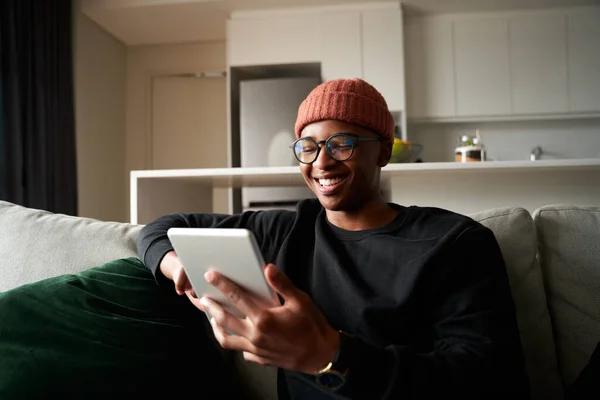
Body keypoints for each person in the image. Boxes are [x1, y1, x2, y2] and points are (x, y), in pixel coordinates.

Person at [137, 78, 530, 399]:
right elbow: (161, 228)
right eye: (307, 148)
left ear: (383, 152)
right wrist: (179, 266)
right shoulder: (283, 231)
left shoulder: (454, 242)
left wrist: (328, 355)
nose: (321, 162)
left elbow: (486, 380)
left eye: (342, 144)